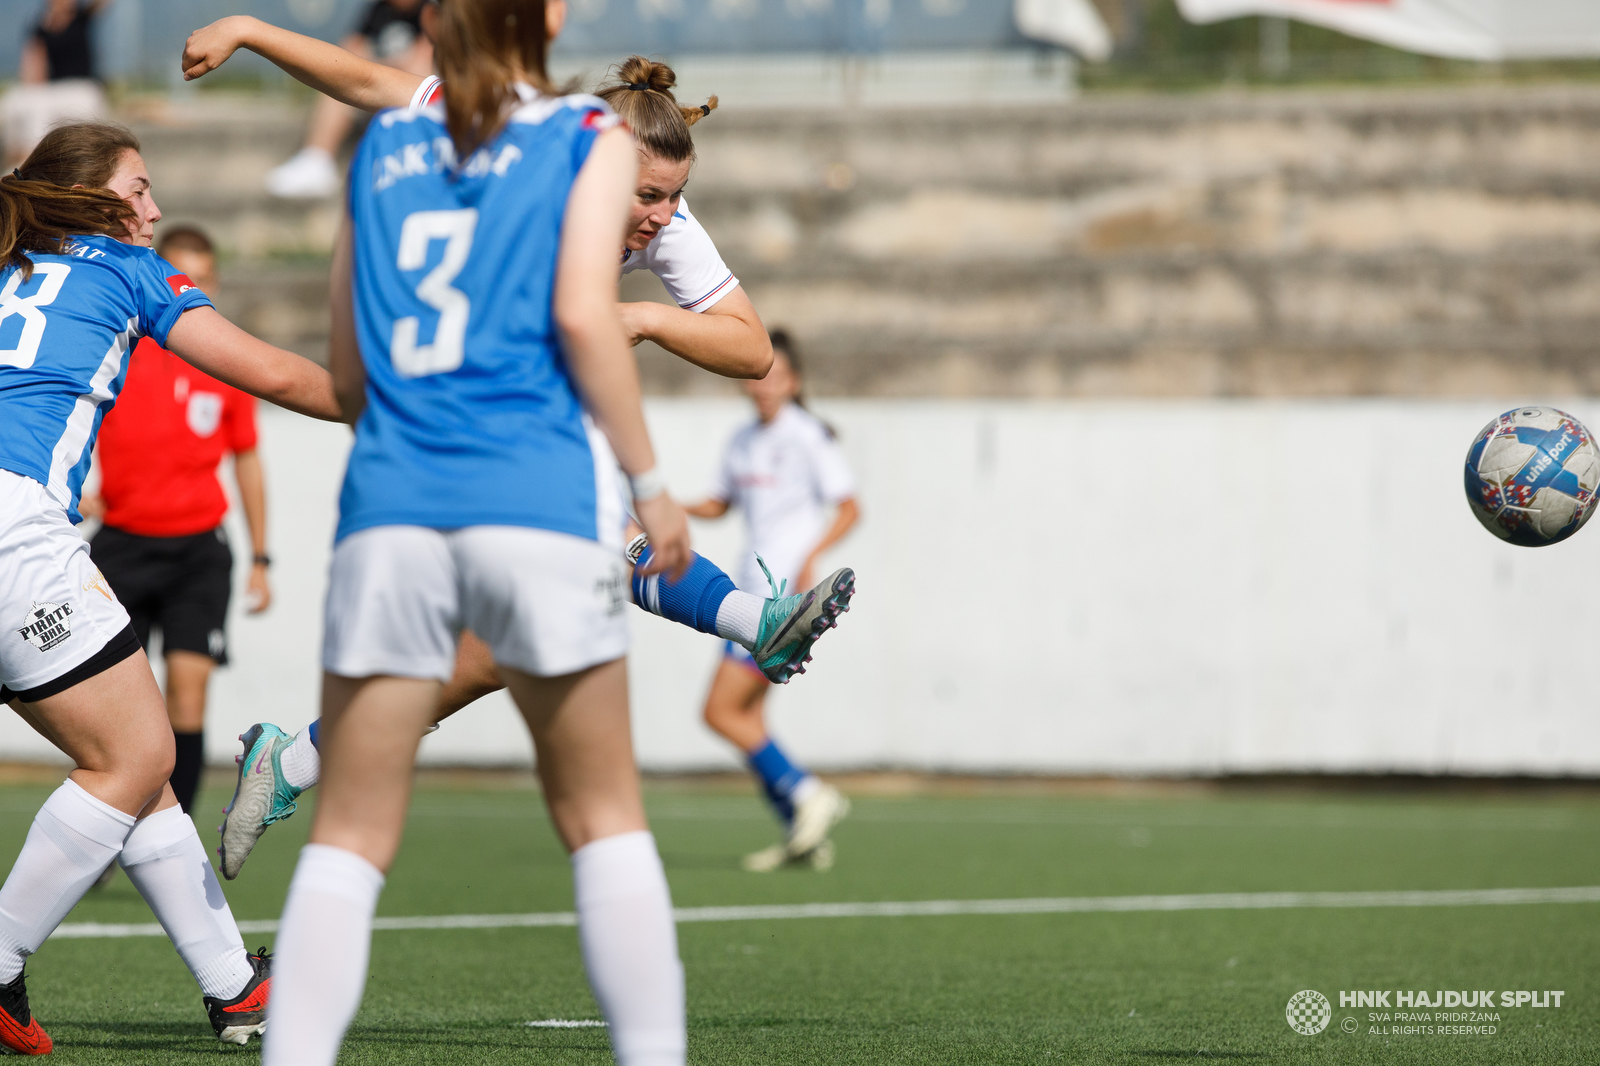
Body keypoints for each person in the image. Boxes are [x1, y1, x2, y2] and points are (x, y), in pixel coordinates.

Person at [179, 20, 855, 875]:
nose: (660, 217)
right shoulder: (517, 142)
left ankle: (294, 762)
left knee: (490, 658)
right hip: (436, 413)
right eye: (649, 194)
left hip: (502, 417)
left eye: (673, 197)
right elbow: (370, 82)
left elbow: (752, 348)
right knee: (541, 714)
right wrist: (248, 29)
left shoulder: (655, 220)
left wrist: (644, 315)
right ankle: (750, 623)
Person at [256, 2, 697, 1061]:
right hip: (536, 497)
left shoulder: (383, 146)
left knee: (351, 836)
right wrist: (650, 482)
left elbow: (350, 367)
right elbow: (586, 317)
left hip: (390, 505)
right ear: (545, 20)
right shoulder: (586, 137)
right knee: (604, 818)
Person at [0, 123, 342, 1053]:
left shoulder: (13, 267)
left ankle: (235, 989)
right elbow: (274, 372)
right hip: (14, 532)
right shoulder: (122, 268)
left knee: (138, 761)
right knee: (134, 757)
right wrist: (408, 400)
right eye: (141, 188)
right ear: (99, 203)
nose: (154, 207)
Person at [81, 225, 272, 819]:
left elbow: (247, 459)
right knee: (110, 713)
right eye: (182, 273)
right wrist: (80, 494)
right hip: (121, 549)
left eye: (204, 275)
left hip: (198, 553)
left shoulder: (225, 361)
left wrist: (263, 558)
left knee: (188, 697)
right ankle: (109, 828)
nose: (194, 285)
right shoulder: (121, 348)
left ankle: (176, 833)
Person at [686, 331, 860, 872]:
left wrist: (813, 559)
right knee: (750, 720)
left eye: (776, 376)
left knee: (718, 712)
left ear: (794, 381)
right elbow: (720, 503)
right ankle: (801, 837)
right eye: (758, 377)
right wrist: (665, 503)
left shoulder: (808, 436)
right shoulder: (742, 441)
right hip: (746, 590)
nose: (764, 387)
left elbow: (850, 507)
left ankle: (809, 795)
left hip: (779, 600)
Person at [263, 0, 436, 198]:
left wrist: (376, 69)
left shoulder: (429, 10)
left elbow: (426, 56)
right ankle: (317, 158)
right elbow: (351, 47)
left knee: (419, 68)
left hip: (418, 99)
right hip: (376, 95)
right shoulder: (379, 9)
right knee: (341, 75)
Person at [2, 0, 114, 166]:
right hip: (53, 90)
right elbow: (33, 64)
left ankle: (32, 162)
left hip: (81, 87)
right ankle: (26, 160)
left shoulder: (81, 17)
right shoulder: (39, 26)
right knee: (22, 105)